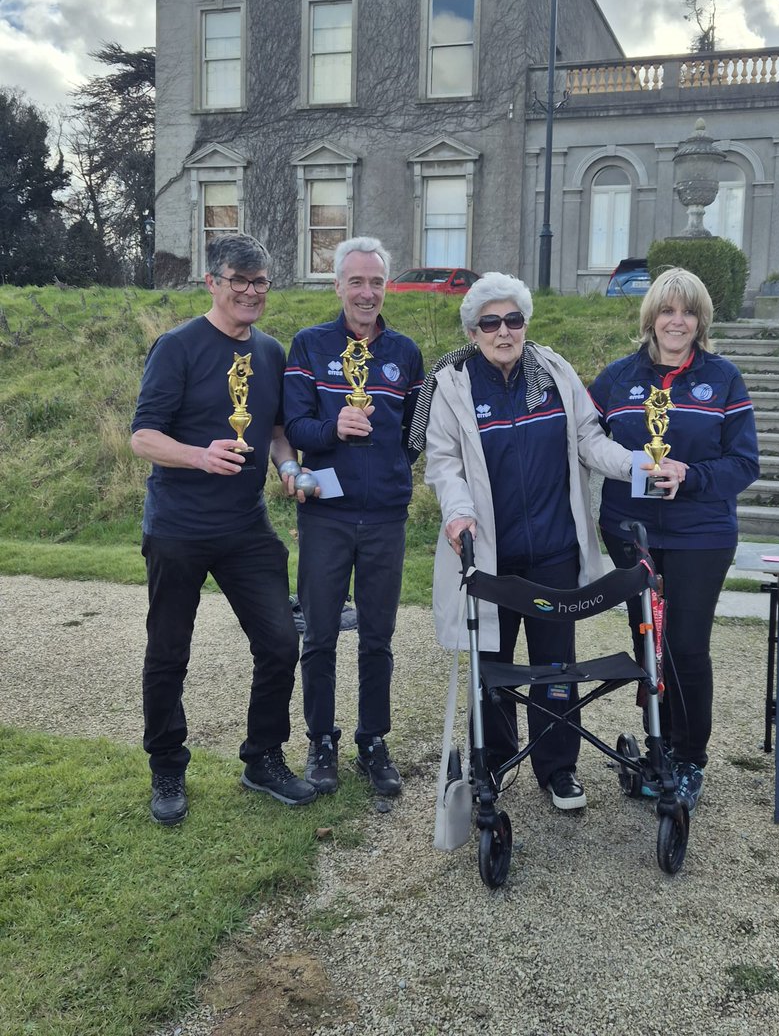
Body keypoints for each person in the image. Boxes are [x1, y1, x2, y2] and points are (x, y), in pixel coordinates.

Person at [417, 272, 680, 811]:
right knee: (492, 667)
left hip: (555, 553)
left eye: (513, 319)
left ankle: (557, 768)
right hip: (491, 555)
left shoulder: (555, 372)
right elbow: (444, 464)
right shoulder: (454, 385)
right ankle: (494, 764)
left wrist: (636, 463)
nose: (503, 331)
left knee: (557, 669)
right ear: (474, 331)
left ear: (525, 324)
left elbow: (589, 440)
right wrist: (458, 513)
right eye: (491, 322)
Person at [131, 233, 318, 825]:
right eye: (238, 280)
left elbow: (277, 428)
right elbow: (142, 437)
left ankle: (262, 757)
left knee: (281, 643)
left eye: (260, 281)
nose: (250, 291)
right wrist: (197, 455)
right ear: (212, 282)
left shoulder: (270, 352)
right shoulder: (178, 347)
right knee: (168, 653)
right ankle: (167, 765)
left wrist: (287, 466)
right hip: (179, 526)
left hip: (246, 528)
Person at [589, 266, 760, 816]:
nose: (676, 321)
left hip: (700, 533)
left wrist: (693, 475)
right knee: (649, 644)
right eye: (666, 310)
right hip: (630, 530)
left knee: (685, 645)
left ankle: (690, 756)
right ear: (651, 317)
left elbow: (745, 462)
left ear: (701, 320)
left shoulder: (724, 378)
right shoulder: (616, 378)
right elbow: (582, 437)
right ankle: (657, 745)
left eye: (687, 311)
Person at [283, 237, 425, 797]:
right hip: (326, 515)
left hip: (386, 516)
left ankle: (372, 739)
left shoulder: (405, 352)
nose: (367, 293)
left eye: (376, 282)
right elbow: (295, 427)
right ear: (338, 285)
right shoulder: (311, 346)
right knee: (318, 634)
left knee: (378, 635)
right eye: (357, 282)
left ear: (385, 288)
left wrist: (389, 471)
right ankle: (322, 739)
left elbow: (414, 434)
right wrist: (332, 430)